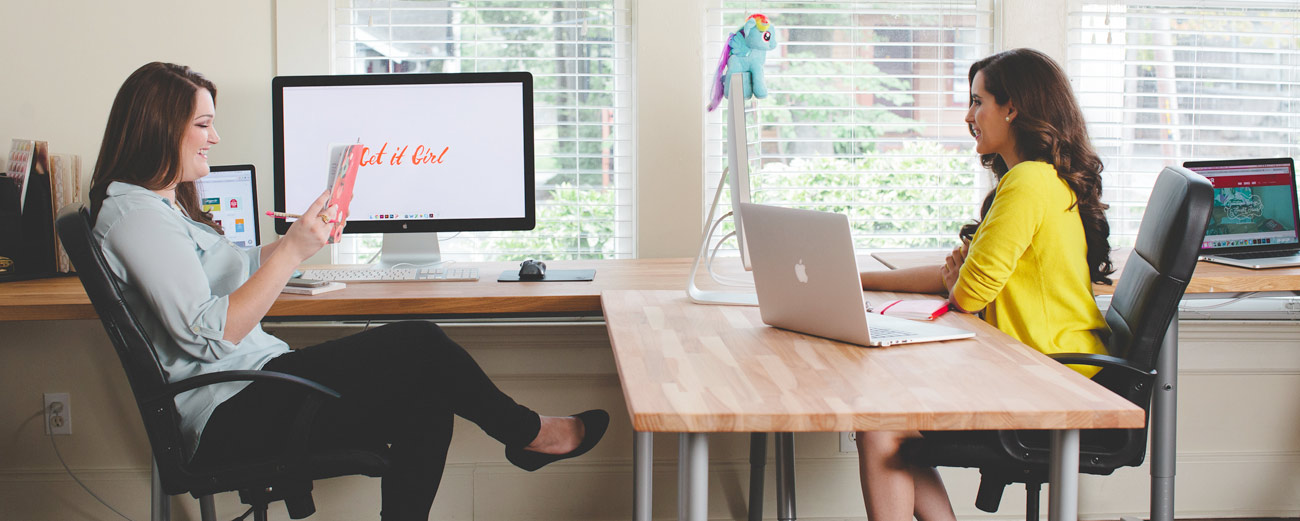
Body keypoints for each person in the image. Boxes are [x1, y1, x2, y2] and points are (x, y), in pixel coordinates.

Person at [87, 62, 608, 521]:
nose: (215, 137)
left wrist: (295, 243)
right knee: (420, 341)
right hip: (228, 409)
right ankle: (530, 433)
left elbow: (229, 271)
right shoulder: (136, 218)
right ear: (160, 129)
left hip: (256, 385)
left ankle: (526, 436)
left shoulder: (159, 206)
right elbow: (211, 334)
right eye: (203, 124)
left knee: (426, 393)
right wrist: (291, 252)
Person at [852, 48, 1114, 520]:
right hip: (1033, 364)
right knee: (889, 421)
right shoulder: (1034, 179)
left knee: (881, 422)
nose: (969, 115)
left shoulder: (1029, 183)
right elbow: (953, 280)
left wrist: (961, 282)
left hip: (1050, 375)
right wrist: (856, 278)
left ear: (1011, 107)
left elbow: (967, 294)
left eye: (977, 101)